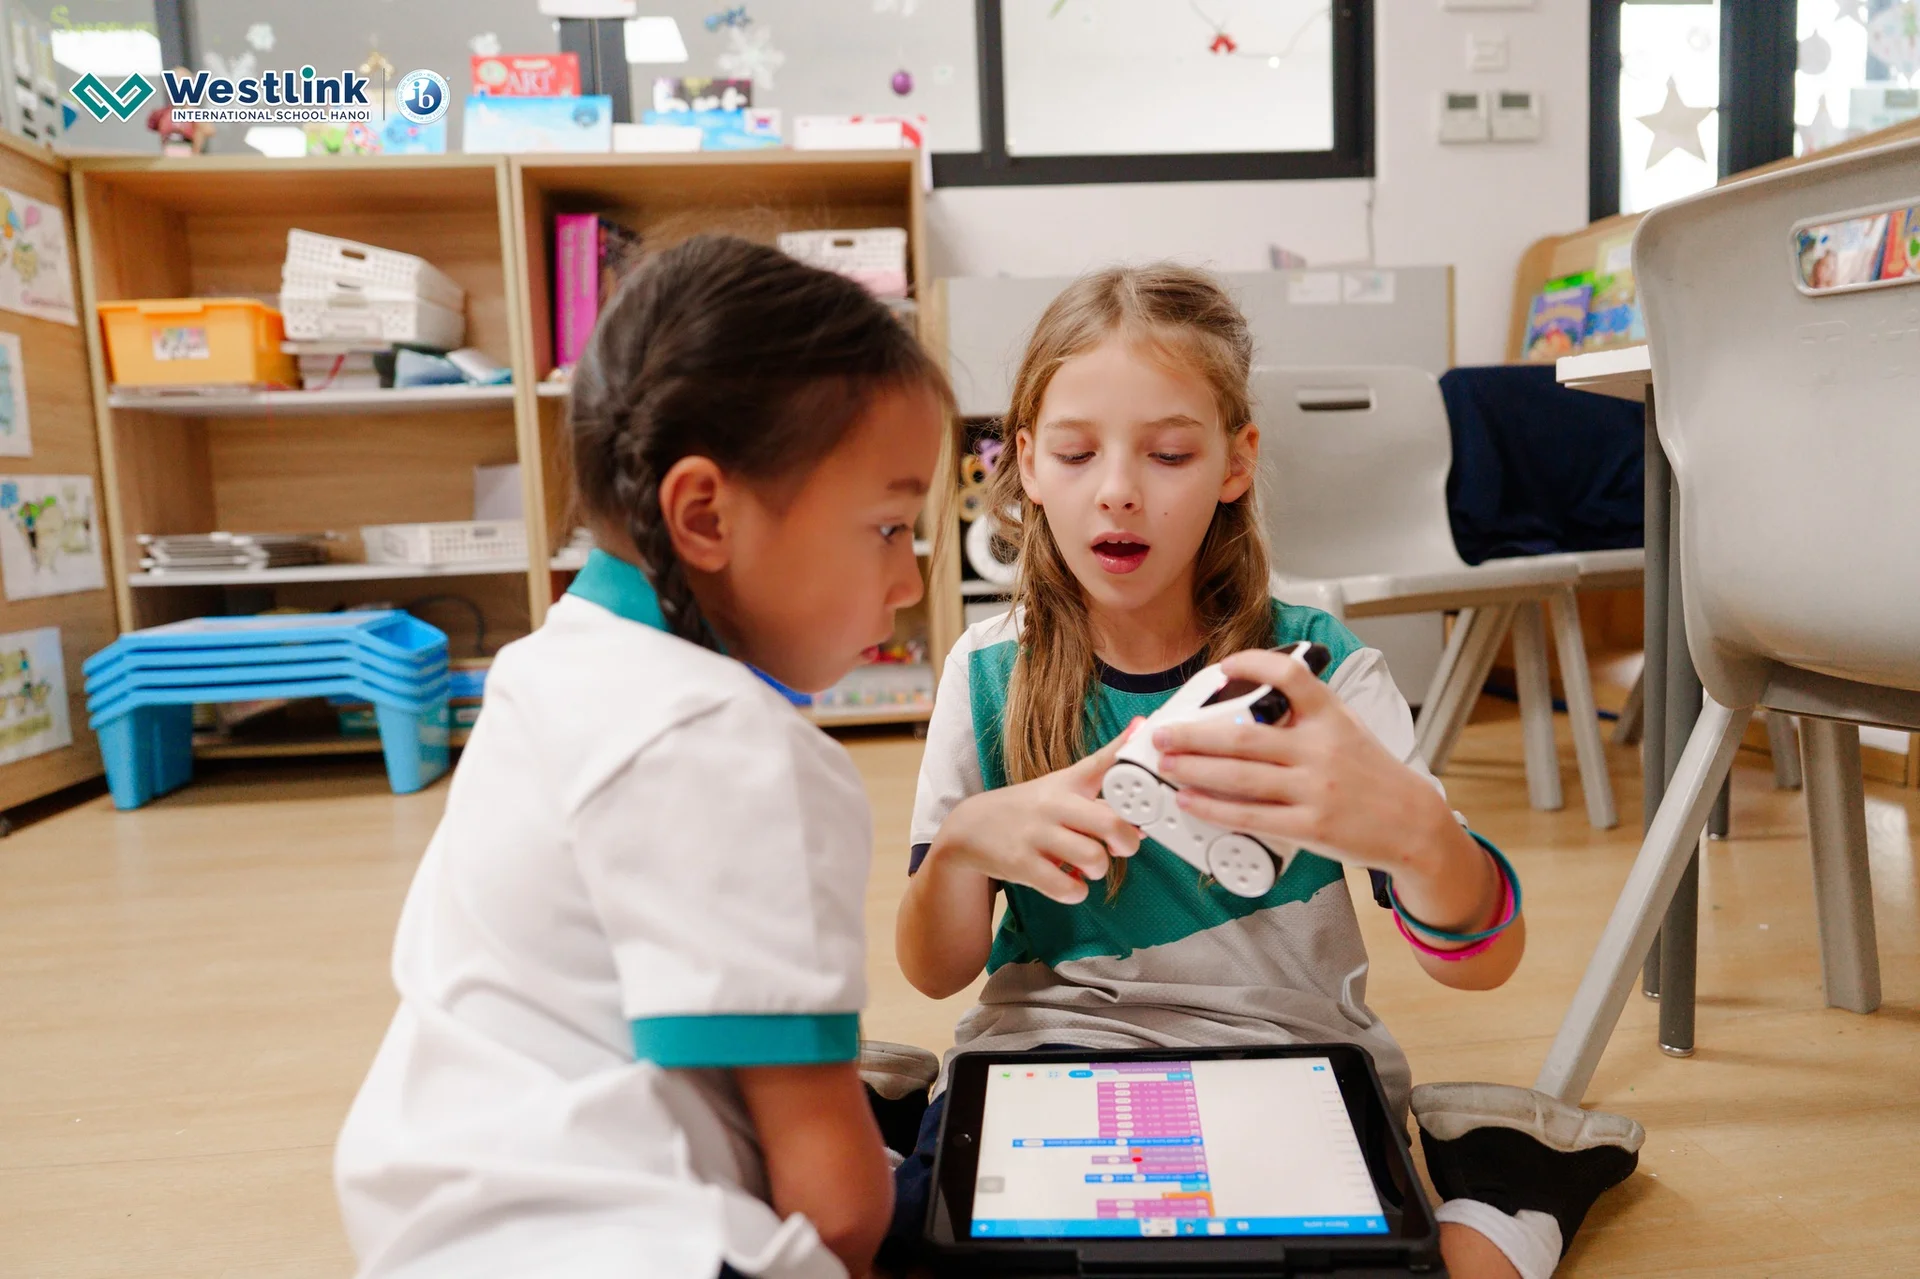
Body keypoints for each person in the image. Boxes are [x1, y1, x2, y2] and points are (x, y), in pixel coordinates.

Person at [882, 264, 1642, 1279]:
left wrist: (1421, 837)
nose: (1118, 488)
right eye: (1075, 451)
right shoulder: (987, 671)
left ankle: (1513, 1171)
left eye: (1169, 453)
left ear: (1235, 462)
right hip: (1047, 1059)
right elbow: (934, 968)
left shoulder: (1318, 673)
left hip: (1290, 1061)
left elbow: (1481, 961)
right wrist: (964, 848)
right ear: (1026, 462)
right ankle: (882, 1117)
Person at [335, 234, 952, 1279]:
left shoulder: (543, 669)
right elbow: (838, 1208)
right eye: (890, 527)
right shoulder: (736, 748)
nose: (908, 582)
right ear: (704, 514)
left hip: (436, 1227)